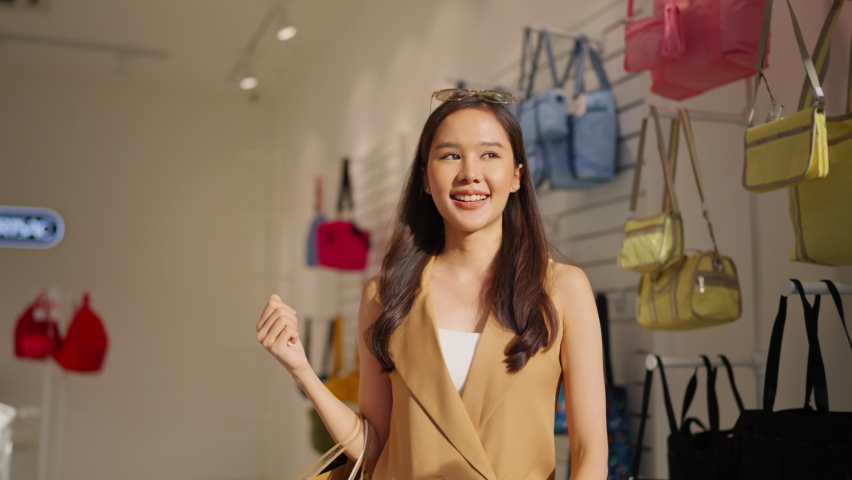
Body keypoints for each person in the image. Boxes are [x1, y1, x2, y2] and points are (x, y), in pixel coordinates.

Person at [256, 90, 608, 479]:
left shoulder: (563, 290)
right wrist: (302, 370)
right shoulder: (386, 296)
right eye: (450, 155)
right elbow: (374, 448)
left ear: (517, 177)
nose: (470, 172)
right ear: (425, 177)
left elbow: (590, 450)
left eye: (490, 154)